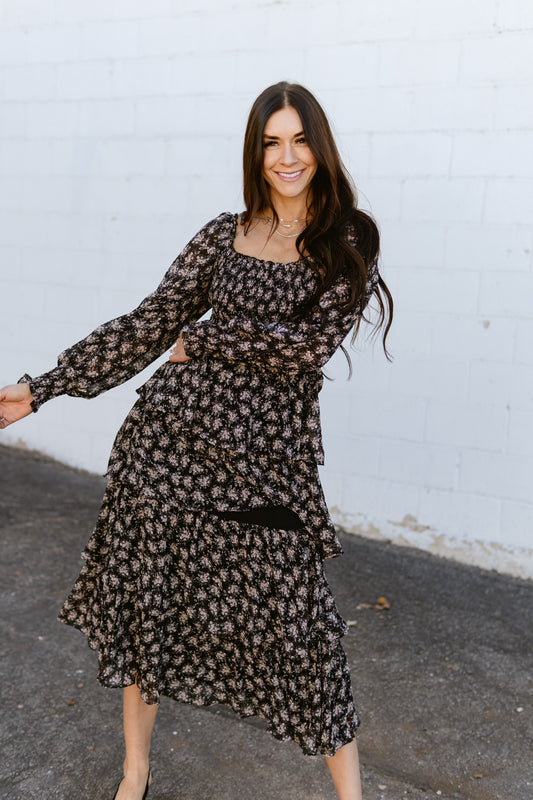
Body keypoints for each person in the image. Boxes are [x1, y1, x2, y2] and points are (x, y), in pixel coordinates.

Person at [0, 82, 393, 800]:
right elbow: (148, 324)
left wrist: (205, 335)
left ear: (319, 146)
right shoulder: (223, 234)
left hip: (264, 466)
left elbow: (304, 349)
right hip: (167, 451)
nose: (286, 156)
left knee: (301, 631)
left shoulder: (346, 239)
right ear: (254, 151)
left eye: (299, 139)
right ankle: (134, 773)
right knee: (150, 608)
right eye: (271, 142)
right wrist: (44, 386)